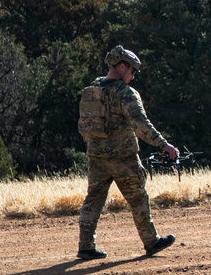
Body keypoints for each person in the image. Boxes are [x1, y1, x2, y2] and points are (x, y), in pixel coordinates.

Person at [75, 45, 179, 260]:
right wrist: (164, 145)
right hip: (123, 158)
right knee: (138, 199)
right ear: (122, 67)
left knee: (93, 200)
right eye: (132, 70)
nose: (134, 75)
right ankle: (151, 241)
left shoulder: (93, 90)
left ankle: (85, 247)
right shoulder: (126, 93)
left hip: (96, 156)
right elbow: (141, 125)